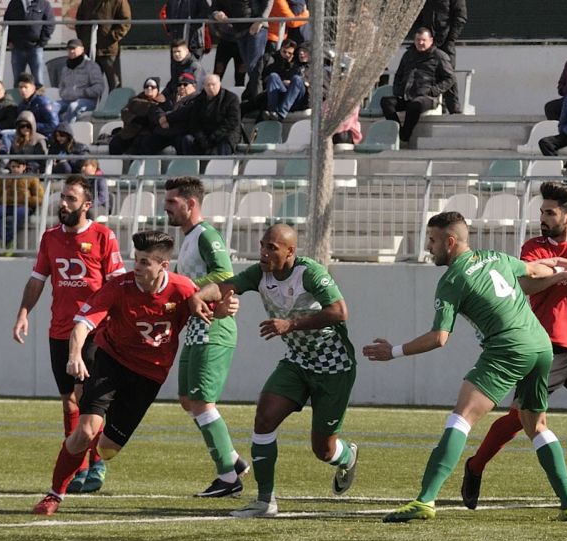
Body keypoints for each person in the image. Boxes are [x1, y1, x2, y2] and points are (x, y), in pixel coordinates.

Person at [363, 211, 567, 523]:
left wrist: (395, 351)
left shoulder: (453, 280)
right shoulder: (496, 257)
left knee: (461, 418)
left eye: (432, 240)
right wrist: (561, 272)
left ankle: (425, 500)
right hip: (540, 345)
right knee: (535, 425)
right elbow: (533, 272)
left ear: (450, 241)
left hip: (508, 348)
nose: (428, 247)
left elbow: (439, 338)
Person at [32, 229, 237, 516]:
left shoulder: (182, 289)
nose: (137, 267)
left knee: (107, 450)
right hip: (110, 361)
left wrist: (225, 309)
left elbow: (214, 308)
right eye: (136, 260)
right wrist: (76, 355)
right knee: (85, 431)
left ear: (163, 266)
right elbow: (82, 325)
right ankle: (54, 494)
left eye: (145, 262)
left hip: (148, 376)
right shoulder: (118, 286)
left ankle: (100, 427)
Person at [460, 182, 567, 520]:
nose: (543, 218)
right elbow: (525, 283)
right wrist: (562, 274)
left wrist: (566, 263)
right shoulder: (533, 246)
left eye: (549, 213)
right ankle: (476, 466)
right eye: (541, 211)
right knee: (519, 418)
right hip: (543, 346)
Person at [189, 223, 359, 518]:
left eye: (272, 248)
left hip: (334, 366)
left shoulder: (311, 273)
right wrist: (199, 296)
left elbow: (339, 311)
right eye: (262, 246)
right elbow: (225, 286)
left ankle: (346, 455)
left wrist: (290, 324)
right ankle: (265, 501)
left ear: (291, 251)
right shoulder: (260, 273)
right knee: (264, 418)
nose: (264, 253)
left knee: (324, 450)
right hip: (297, 362)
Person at [14, 174, 124, 495]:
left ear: (87, 205)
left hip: (95, 331)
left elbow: (117, 284)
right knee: (69, 400)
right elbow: (37, 280)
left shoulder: (103, 236)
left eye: (71, 199)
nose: (63, 203)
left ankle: (96, 462)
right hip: (59, 331)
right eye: (62, 197)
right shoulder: (50, 238)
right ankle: (82, 466)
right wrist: (23, 313)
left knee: (88, 399)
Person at [164, 176, 250, 498]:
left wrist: (189, 288)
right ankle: (234, 461)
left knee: (200, 401)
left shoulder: (206, 235)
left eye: (172, 202)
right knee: (188, 400)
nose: (165, 207)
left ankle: (228, 478)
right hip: (197, 327)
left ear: (191, 204)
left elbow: (226, 276)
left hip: (214, 326)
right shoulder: (188, 238)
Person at [381, 27, 455, 144]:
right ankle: (397, 132)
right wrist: (398, 90)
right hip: (406, 95)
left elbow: (450, 78)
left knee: (415, 105)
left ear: (430, 40)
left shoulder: (439, 56)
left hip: (427, 97)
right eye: (417, 40)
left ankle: (405, 136)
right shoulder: (408, 55)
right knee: (386, 102)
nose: (420, 43)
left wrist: (433, 91)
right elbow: (399, 75)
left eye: (423, 40)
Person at [160, 74, 242, 156]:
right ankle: (190, 167)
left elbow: (232, 122)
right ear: (204, 86)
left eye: (213, 84)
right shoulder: (199, 99)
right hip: (204, 136)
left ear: (219, 84)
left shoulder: (231, 98)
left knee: (223, 144)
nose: (211, 87)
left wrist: (213, 137)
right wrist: (202, 138)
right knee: (186, 139)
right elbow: (194, 122)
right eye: (208, 85)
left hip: (224, 135)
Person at [412, 0, 468, 114]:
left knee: (448, 73)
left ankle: (453, 108)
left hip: (446, 41)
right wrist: (421, 35)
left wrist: (451, 38)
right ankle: (428, 105)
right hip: (427, 41)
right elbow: (416, 14)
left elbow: (460, 17)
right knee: (424, 72)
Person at [76, 0, 132, 91]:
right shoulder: (86, 1)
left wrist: (112, 37)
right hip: (90, 49)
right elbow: (79, 20)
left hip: (109, 50)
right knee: (92, 85)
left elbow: (126, 22)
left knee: (115, 84)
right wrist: (84, 39)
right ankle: (92, 105)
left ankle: (114, 105)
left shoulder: (119, 1)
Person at [0, 158, 43, 249]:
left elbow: (39, 197)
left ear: (23, 167)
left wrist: (27, 200)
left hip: (23, 206)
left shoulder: (32, 179)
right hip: (6, 205)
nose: (15, 169)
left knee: (19, 214)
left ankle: (7, 241)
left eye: (18, 167)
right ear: (9, 167)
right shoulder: (3, 179)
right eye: (13, 166)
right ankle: (8, 239)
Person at [4, 0, 54, 89]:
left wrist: (42, 42)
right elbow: (6, 22)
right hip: (17, 49)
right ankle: (19, 102)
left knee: (38, 80)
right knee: (18, 81)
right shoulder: (14, 3)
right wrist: (9, 41)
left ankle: (40, 101)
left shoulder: (43, 3)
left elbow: (50, 24)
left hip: (35, 48)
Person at [56, 38, 107, 124]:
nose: (71, 51)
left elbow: (99, 87)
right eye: (69, 49)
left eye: (74, 48)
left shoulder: (91, 66)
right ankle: (53, 133)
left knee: (73, 107)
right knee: (51, 107)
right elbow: (61, 86)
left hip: (87, 101)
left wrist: (84, 92)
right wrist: (66, 93)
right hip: (66, 100)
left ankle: (67, 133)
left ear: (82, 49)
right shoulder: (65, 68)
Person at [108, 78, 163, 156]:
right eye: (147, 86)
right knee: (115, 144)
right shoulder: (135, 100)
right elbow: (125, 112)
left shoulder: (162, 102)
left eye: (152, 87)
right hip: (130, 131)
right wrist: (134, 118)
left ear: (157, 89)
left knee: (139, 145)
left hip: (148, 132)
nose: (149, 89)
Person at [15, 73, 58, 137]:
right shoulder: (21, 105)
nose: (23, 90)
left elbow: (53, 125)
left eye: (26, 87)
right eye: (21, 87)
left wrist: (32, 126)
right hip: (27, 137)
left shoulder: (42, 102)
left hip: (44, 137)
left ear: (33, 88)